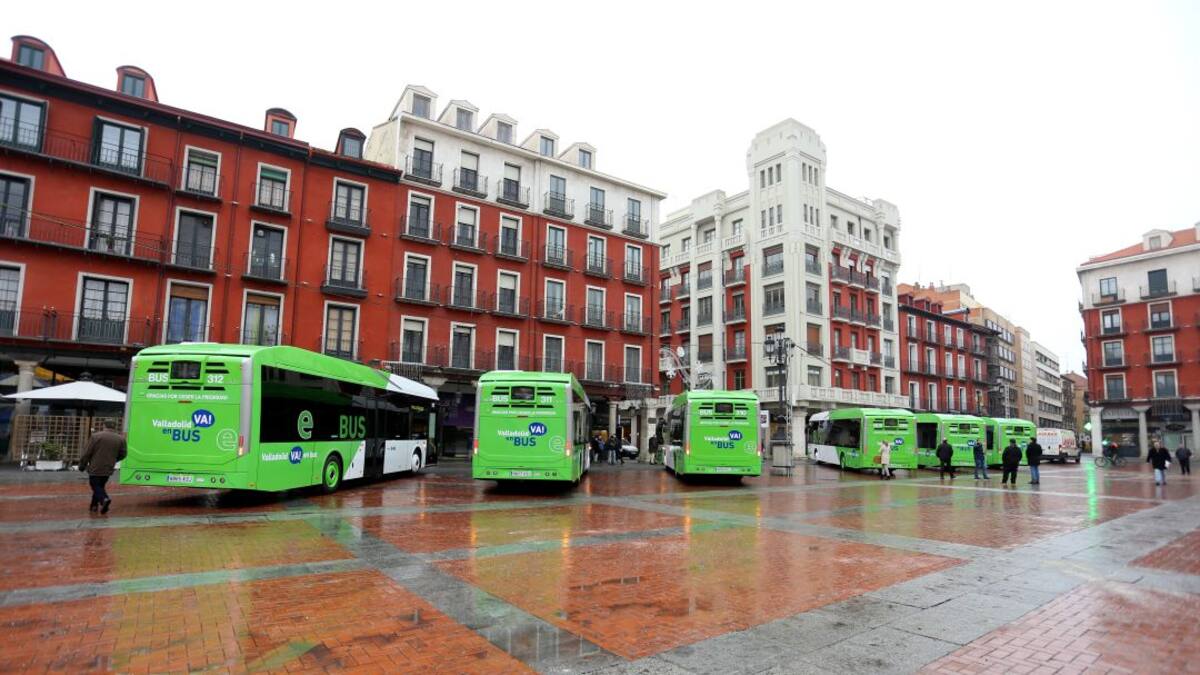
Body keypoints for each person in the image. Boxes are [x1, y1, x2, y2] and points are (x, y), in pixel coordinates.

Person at [78, 419, 126, 514]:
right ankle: (94, 506)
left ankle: (104, 499)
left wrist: (82, 465)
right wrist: (114, 460)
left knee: (95, 485)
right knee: (100, 486)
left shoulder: (96, 436)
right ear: (115, 426)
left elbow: (87, 453)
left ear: (104, 425)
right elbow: (123, 454)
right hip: (109, 466)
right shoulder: (121, 439)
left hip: (95, 466)